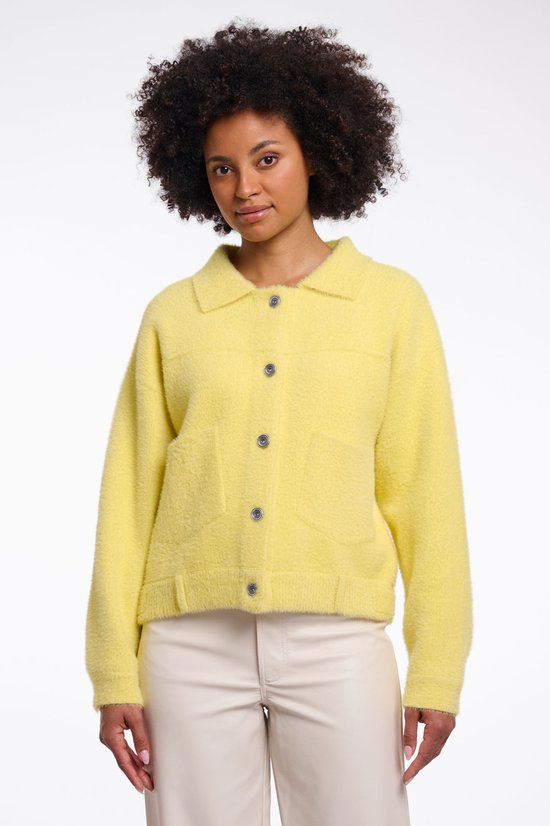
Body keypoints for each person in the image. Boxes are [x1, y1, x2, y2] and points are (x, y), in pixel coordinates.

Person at [85, 20, 473, 826]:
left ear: (317, 153)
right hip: (188, 645)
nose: (244, 188)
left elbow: (426, 494)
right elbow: (128, 498)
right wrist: (113, 671)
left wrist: (437, 668)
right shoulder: (175, 316)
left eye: (267, 159)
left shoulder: (390, 305)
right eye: (221, 168)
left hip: (338, 642)